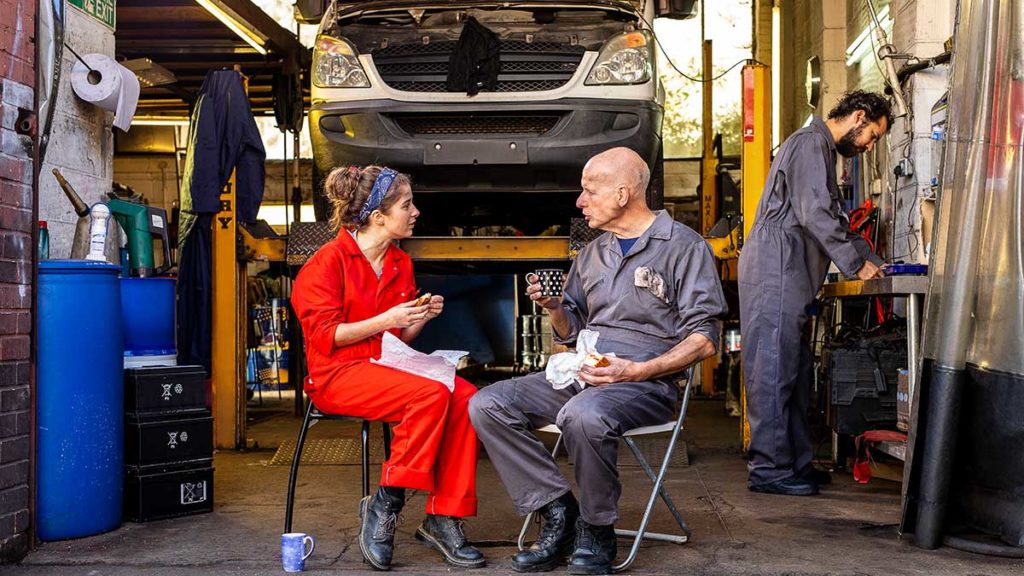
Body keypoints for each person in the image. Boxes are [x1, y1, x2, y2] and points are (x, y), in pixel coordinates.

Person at [469, 148, 727, 575]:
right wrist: (555, 310)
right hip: (586, 373)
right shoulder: (591, 254)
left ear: (623, 193)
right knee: (487, 404)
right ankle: (557, 511)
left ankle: (597, 527)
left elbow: (705, 339)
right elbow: (570, 334)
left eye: (589, 190)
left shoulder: (683, 246)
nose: (579, 200)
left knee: (585, 415)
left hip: (647, 383)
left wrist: (637, 370)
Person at [291, 165, 485, 571]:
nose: (415, 212)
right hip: (336, 374)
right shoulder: (326, 264)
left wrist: (418, 318)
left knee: (468, 398)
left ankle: (443, 515)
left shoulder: (400, 263)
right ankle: (386, 502)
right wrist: (387, 318)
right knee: (430, 393)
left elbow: (398, 341)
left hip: (386, 365)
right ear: (378, 217)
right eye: (407, 205)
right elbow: (326, 337)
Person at [738, 90, 891, 497]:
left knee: (797, 370)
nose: (869, 146)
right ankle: (769, 469)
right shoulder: (810, 143)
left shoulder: (822, 151)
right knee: (773, 369)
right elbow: (815, 215)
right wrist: (857, 265)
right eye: (871, 136)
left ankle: (795, 463)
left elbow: (836, 220)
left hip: (791, 271)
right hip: (776, 268)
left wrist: (874, 260)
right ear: (858, 117)